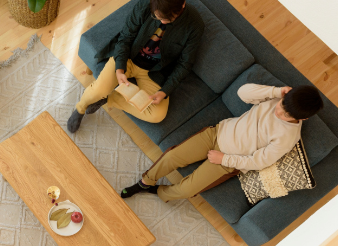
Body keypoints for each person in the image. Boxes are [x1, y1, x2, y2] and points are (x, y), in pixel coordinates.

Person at [120, 84, 324, 202]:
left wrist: (224, 159)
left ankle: (159, 192)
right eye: (281, 105)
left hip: (228, 162)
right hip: (216, 134)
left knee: (186, 190)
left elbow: (259, 162)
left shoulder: (288, 137)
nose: (278, 111)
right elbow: (243, 93)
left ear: (302, 118)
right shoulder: (275, 97)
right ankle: (144, 182)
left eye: (286, 114)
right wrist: (276, 92)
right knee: (172, 156)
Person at [67, 0, 205, 133]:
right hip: (129, 58)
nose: (162, 22)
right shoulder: (145, 6)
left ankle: (110, 99)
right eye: (158, 17)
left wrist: (165, 91)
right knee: (99, 89)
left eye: (166, 19)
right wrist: (120, 68)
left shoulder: (194, 26)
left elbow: (185, 64)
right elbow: (125, 37)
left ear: (182, 5)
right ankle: (80, 108)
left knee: (158, 114)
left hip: (155, 72)